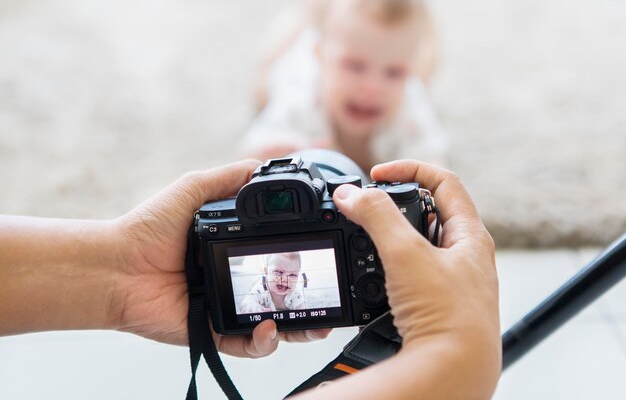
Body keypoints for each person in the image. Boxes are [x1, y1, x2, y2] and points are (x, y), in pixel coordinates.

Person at [0, 159, 501, 399]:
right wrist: (454, 352)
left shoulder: (306, 292)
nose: (283, 282)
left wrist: (120, 274)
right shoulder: (258, 291)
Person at [239, 0, 448, 172]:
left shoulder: (408, 106)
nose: (372, 87)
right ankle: (308, 8)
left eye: (394, 72)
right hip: (292, 57)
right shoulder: (301, 101)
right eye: (355, 66)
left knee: (429, 60)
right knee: (261, 87)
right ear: (320, 56)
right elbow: (246, 159)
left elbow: (434, 170)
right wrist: (273, 154)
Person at [238, 252, 307, 313]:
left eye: (293, 275)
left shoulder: (295, 295)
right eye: (279, 272)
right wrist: (255, 308)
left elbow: (303, 310)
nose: (285, 279)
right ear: (266, 272)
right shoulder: (261, 289)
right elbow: (245, 304)